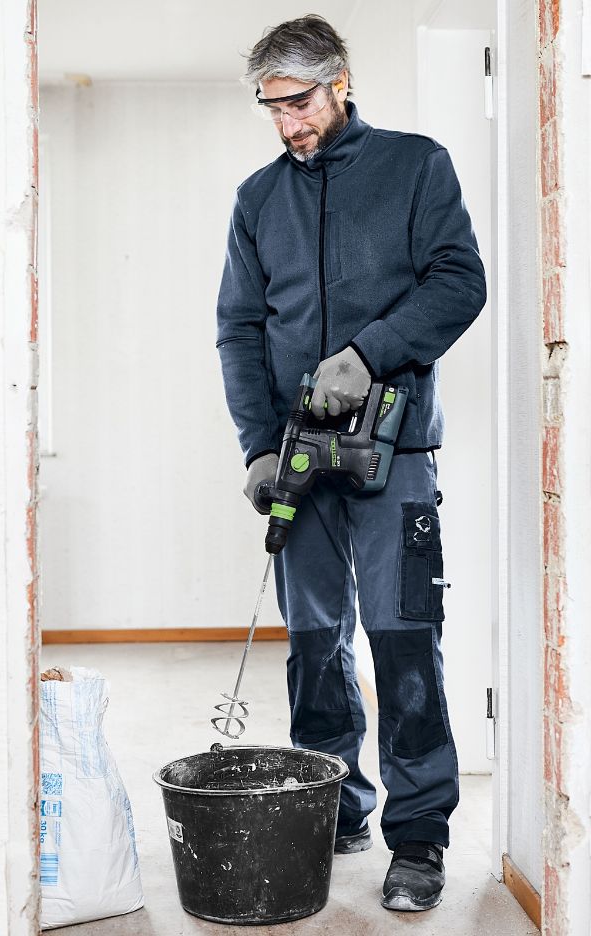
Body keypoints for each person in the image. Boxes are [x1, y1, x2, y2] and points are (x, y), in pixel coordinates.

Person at [215, 15, 487, 913]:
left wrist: (369, 354)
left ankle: (419, 837)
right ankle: (336, 802)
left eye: (298, 102)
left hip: (394, 450)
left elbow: (459, 280)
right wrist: (259, 442)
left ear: (341, 81)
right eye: (272, 108)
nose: (287, 124)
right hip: (299, 453)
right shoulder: (259, 200)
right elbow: (241, 329)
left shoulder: (416, 167)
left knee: (405, 636)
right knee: (313, 643)